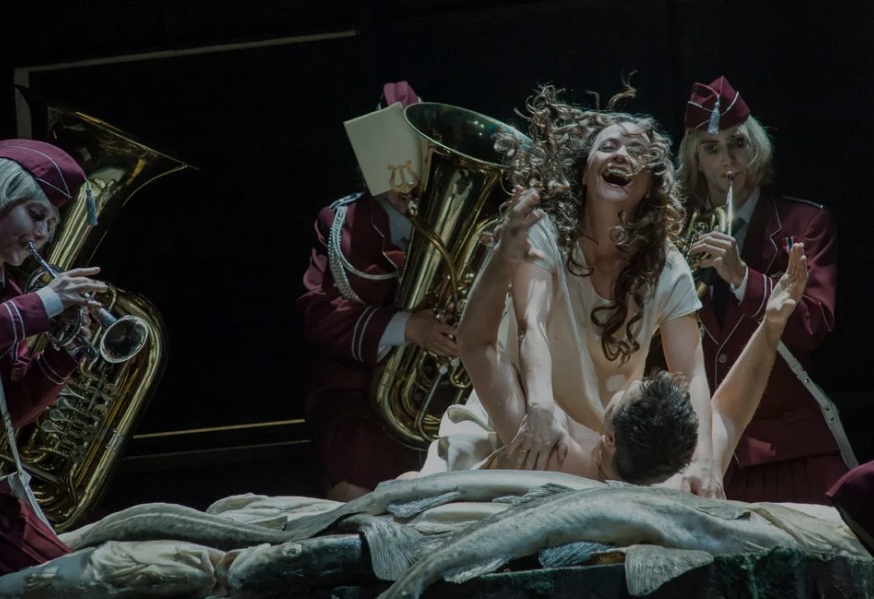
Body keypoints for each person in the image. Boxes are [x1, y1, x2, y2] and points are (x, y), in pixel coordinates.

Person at [420, 85, 723, 498]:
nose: (621, 155)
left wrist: (704, 459)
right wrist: (540, 407)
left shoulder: (668, 267)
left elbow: (693, 373)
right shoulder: (545, 236)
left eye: (636, 151)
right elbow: (531, 324)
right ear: (584, 173)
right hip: (524, 419)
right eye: (608, 146)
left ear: (649, 186)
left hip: (610, 447)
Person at [435, 189, 809, 487]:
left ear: (609, 439)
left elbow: (476, 345)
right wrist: (770, 327)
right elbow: (728, 415)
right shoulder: (677, 484)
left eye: (633, 389)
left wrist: (502, 258)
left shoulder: (554, 456)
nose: (635, 380)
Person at [0, 139, 107, 598]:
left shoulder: (5, 292)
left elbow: (13, 409)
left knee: (74, 582)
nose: (43, 234)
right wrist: (45, 303)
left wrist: (65, 351)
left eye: (51, 224)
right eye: (36, 215)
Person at [679, 75, 845, 503]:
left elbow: (813, 325)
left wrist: (743, 278)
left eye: (737, 143)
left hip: (787, 452)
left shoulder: (805, 223)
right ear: (696, 159)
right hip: (701, 455)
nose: (727, 160)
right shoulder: (673, 231)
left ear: (756, 147)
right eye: (711, 148)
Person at [297, 82, 459, 503]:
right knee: (355, 483)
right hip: (363, 397)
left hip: (449, 393)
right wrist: (408, 327)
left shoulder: (464, 217)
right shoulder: (341, 221)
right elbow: (320, 313)